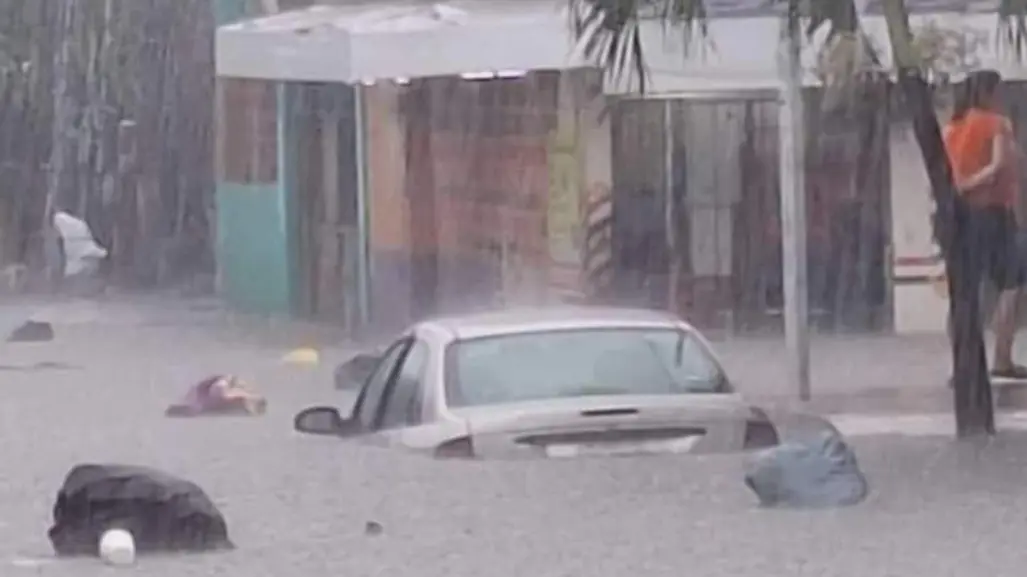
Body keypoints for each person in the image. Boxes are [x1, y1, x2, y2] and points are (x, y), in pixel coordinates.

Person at [943, 69, 1027, 379]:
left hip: (960, 217)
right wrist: (970, 183)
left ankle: (960, 365)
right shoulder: (996, 123)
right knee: (1013, 282)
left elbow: (947, 173)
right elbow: (999, 165)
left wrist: (959, 188)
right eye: (998, 90)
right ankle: (1001, 357)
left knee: (965, 289)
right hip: (991, 213)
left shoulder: (952, 127)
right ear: (988, 92)